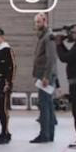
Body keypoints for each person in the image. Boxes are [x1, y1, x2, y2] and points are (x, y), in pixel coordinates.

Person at [30, 12, 58, 144]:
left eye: (38, 22)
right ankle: (49, 134)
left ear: (45, 21)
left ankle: (45, 134)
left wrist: (46, 76)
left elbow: (51, 58)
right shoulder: (42, 37)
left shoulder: (48, 37)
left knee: (44, 104)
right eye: (35, 22)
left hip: (45, 76)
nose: (36, 25)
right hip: (41, 75)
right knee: (48, 104)